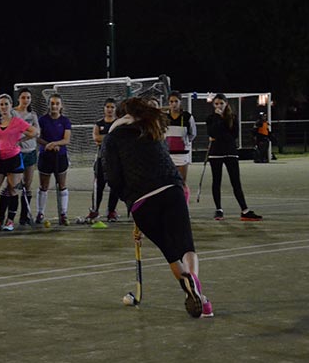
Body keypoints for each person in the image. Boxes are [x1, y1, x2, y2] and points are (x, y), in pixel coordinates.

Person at [102, 97, 213, 318]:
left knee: (170, 252)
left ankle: (191, 289)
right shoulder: (153, 127)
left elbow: (113, 177)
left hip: (142, 201)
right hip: (172, 190)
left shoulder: (112, 137)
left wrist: (131, 205)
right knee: (186, 246)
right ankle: (199, 296)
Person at [206, 93, 262, 221]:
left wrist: (221, 132)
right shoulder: (211, 118)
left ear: (226, 104)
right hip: (215, 154)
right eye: (216, 104)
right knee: (216, 181)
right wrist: (218, 119)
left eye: (221, 103)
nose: (219, 106)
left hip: (230, 152)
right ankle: (219, 209)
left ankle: (244, 210)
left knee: (236, 182)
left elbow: (233, 135)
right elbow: (212, 132)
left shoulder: (232, 117)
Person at [0, 94, 37, 231]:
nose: (4, 107)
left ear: (10, 105)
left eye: (6, 104)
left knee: (12, 189)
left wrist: (20, 141)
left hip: (14, 159)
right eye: (1, 104)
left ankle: (10, 221)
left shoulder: (17, 122)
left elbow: (34, 132)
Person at [36, 94, 71, 225]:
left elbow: (66, 139)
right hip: (45, 157)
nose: (54, 106)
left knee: (62, 185)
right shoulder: (42, 120)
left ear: (61, 106)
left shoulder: (65, 121)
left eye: (57, 103)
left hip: (60, 156)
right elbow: (37, 137)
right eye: (52, 103)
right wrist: (48, 145)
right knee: (43, 186)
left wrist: (55, 144)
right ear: (48, 105)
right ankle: (40, 212)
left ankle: (63, 213)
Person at [87, 97, 119, 222]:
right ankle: (94, 211)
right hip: (101, 158)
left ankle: (111, 211)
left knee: (115, 186)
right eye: (108, 107)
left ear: (115, 109)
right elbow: (96, 138)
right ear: (104, 108)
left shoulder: (118, 123)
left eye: (112, 107)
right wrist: (111, 138)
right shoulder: (99, 123)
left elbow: (118, 139)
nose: (110, 109)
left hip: (115, 160)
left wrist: (105, 138)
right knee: (98, 186)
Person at [14, 88, 40, 225]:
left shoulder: (32, 115)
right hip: (16, 153)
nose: (26, 100)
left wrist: (22, 139)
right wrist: (26, 135)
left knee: (27, 185)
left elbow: (37, 132)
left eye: (28, 98)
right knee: (13, 185)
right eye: (23, 97)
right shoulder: (13, 113)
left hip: (30, 151)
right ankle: (9, 216)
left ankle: (24, 216)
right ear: (19, 98)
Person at [165, 91, 196, 205]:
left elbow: (193, 133)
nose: (173, 104)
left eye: (176, 101)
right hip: (168, 155)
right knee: (168, 182)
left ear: (180, 102)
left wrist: (184, 142)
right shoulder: (164, 117)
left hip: (182, 154)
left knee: (182, 182)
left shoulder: (187, 116)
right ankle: (170, 206)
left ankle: (184, 206)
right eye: (171, 102)